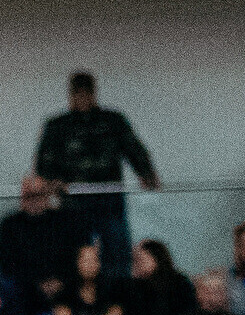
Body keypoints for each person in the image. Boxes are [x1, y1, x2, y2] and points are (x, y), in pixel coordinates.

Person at [33, 70, 156, 273]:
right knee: (75, 254)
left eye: (86, 92)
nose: (82, 97)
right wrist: (49, 183)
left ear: (93, 93)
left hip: (109, 198)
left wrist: (146, 173)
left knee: (116, 253)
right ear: (71, 95)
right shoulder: (57, 126)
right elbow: (44, 162)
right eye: (77, 93)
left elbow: (133, 149)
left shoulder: (113, 121)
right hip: (73, 200)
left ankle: (116, 291)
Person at [0, 172, 82, 315]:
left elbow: (74, 256)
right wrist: (36, 284)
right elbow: (6, 261)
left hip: (63, 283)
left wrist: (60, 280)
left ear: (47, 195)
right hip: (25, 286)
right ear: (22, 197)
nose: (34, 200)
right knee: (9, 287)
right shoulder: (10, 224)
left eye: (39, 195)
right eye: (29, 196)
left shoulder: (63, 221)